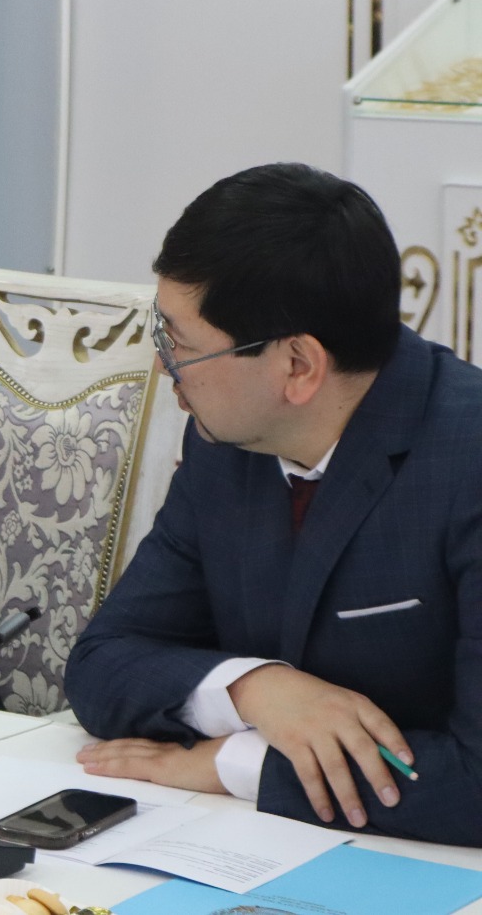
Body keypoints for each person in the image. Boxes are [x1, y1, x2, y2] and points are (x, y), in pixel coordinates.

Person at [66, 163, 482, 846]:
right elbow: (104, 662)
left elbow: (476, 780)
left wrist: (238, 764)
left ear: (297, 366)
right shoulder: (228, 442)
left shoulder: (467, 458)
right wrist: (254, 689)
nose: (163, 366)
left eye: (181, 346)